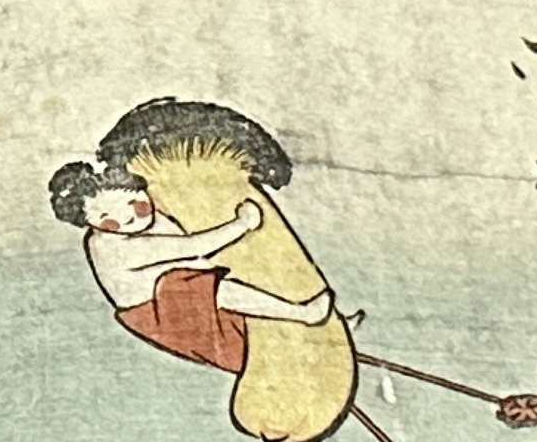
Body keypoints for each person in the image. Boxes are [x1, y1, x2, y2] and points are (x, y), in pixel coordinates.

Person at [50, 158, 345, 378]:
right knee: (200, 289)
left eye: (131, 201)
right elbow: (193, 246)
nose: (127, 217)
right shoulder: (114, 247)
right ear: (89, 223)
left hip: (182, 290)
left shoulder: (151, 208)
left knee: (241, 286)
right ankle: (303, 314)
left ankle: (335, 335)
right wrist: (242, 224)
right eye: (106, 215)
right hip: (162, 313)